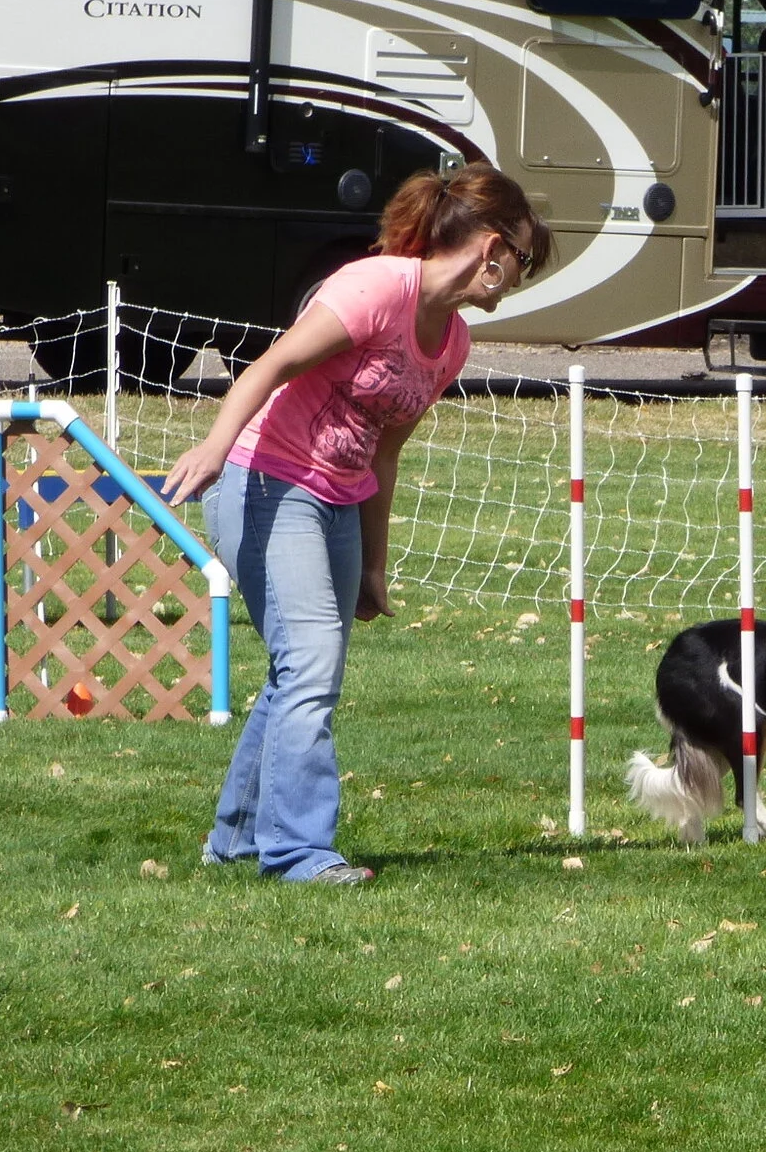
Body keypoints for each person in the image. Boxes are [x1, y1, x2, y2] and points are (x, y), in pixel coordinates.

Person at [165, 163, 550, 883]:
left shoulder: (452, 343)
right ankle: (301, 852)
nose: (519, 277)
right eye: (522, 259)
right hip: (264, 479)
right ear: (492, 248)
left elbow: (387, 449)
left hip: (339, 501)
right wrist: (214, 449)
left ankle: (237, 839)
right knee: (310, 663)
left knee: (298, 671)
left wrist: (374, 564)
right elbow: (271, 365)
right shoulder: (376, 289)